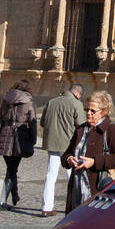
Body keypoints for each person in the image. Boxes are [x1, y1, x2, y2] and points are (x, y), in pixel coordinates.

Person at [61, 91, 115, 214]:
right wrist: (69, 159)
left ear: (104, 112)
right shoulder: (80, 129)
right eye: (87, 109)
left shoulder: (112, 130)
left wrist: (94, 162)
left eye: (93, 111)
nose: (88, 113)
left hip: (98, 190)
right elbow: (66, 155)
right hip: (76, 192)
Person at [40, 83, 86, 217]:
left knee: (50, 175)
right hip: (69, 146)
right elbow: (81, 126)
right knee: (72, 176)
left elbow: (43, 122)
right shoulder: (76, 104)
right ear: (77, 94)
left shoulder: (51, 102)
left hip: (53, 143)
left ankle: (46, 207)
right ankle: (74, 206)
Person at [0, 78, 37, 210]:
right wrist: (33, 140)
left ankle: (15, 196)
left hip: (5, 136)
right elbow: (33, 123)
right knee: (11, 170)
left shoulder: (6, 100)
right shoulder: (28, 102)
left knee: (11, 168)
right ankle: (1, 202)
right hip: (20, 137)